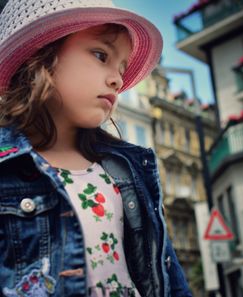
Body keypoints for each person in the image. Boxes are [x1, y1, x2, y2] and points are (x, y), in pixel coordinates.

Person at [0, 0, 193, 296]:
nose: (118, 79)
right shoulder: (6, 171)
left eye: (122, 67)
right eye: (101, 55)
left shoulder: (129, 169)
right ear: (42, 54)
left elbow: (169, 276)